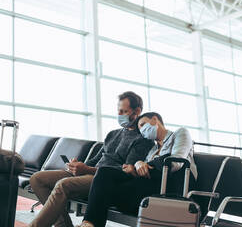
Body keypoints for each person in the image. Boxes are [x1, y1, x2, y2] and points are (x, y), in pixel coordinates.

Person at [28, 91, 154, 227]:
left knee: (63, 185)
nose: (119, 115)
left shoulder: (142, 140)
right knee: (37, 179)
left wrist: (86, 169)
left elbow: (123, 171)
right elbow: (97, 158)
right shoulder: (113, 134)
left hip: (102, 180)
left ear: (137, 111)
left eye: (124, 111)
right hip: (89, 172)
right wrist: (78, 166)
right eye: (118, 111)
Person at [77, 112, 197, 227]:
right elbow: (143, 169)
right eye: (140, 128)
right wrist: (134, 167)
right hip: (148, 184)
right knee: (104, 172)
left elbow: (176, 162)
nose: (142, 130)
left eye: (143, 125)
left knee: (106, 191)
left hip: (172, 184)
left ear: (155, 119)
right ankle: (89, 223)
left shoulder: (180, 133)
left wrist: (145, 164)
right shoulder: (154, 148)